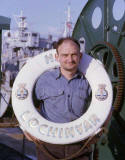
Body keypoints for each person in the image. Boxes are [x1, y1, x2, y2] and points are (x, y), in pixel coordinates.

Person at [25, 37, 92, 160]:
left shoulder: (89, 83)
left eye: (74, 55)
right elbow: (26, 105)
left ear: (80, 56)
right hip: (49, 144)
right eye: (65, 55)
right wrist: (26, 129)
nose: (69, 59)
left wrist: (99, 132)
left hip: (79, 145)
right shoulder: (43, 80)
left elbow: (103, 106)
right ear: (57, 57)